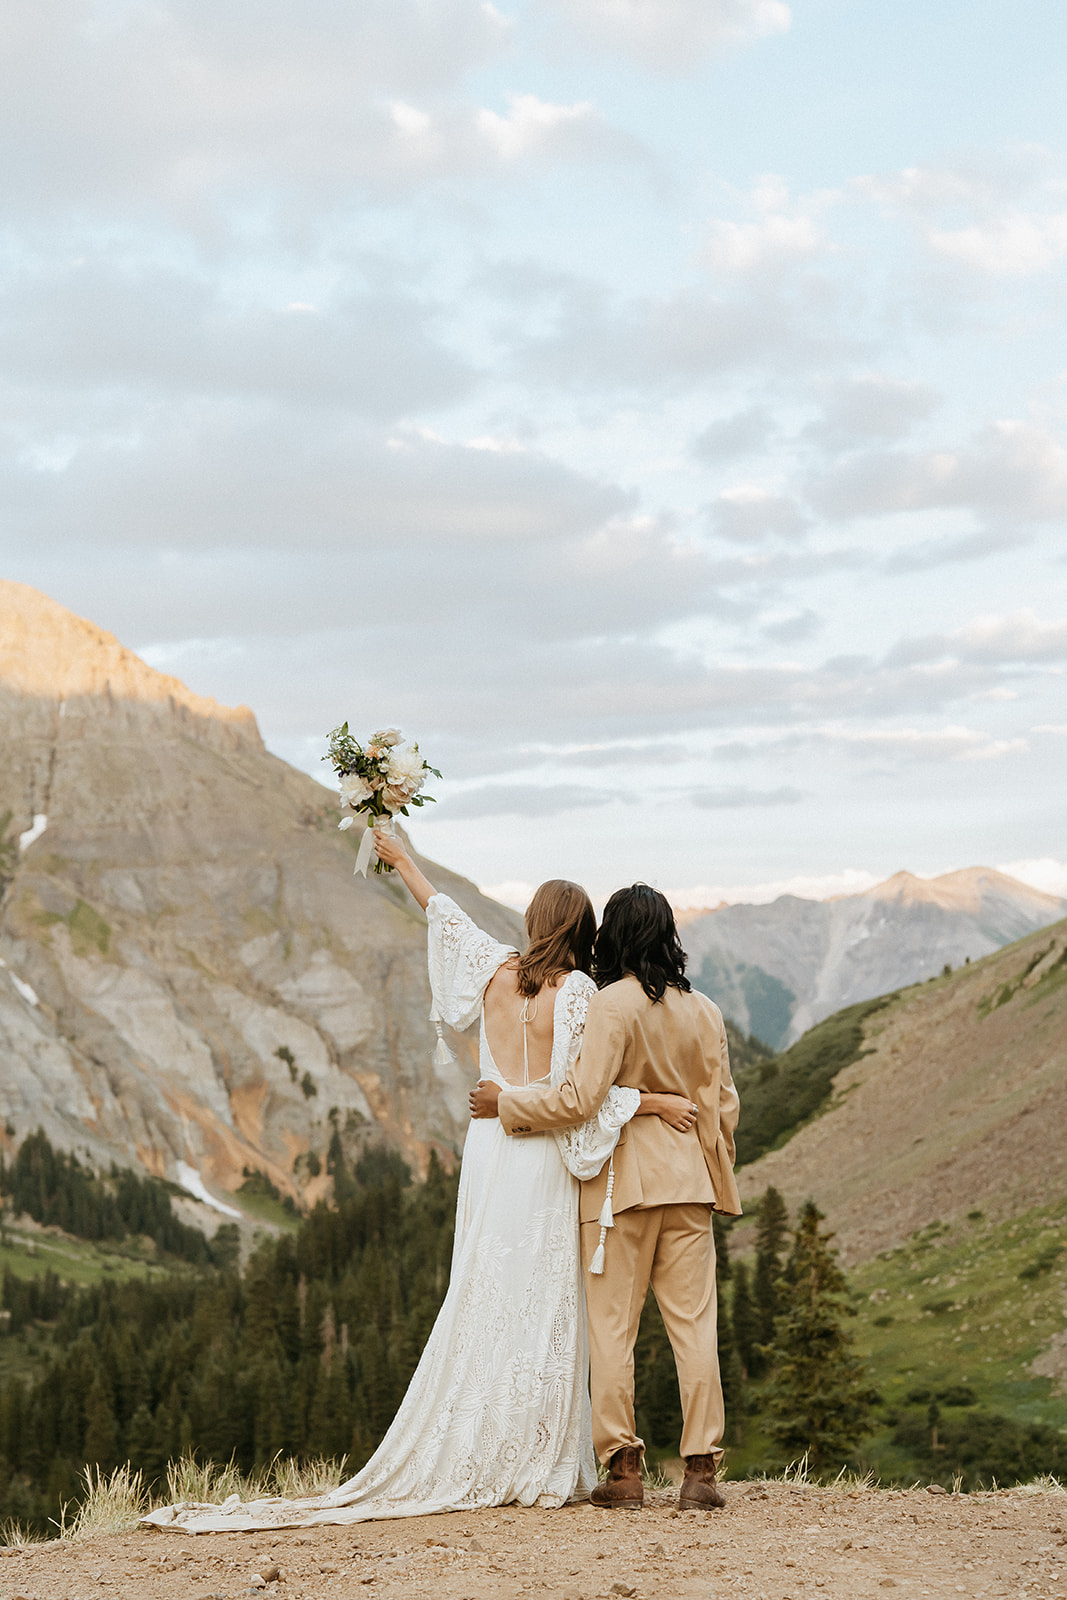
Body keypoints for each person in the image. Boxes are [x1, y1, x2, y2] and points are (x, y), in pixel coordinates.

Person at [144, 836, 693, 1533]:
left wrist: (400, 857)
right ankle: (532, 1456)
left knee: (483, 1287)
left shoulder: (495, 972)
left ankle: (478, 1441)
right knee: (541, 1300)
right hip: (540, 1148)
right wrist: (651, 1102)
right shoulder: (579, 992)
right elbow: (583, 1095)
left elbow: (444, 914)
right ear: (582, 930)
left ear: (532, 922)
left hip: (491, 1146)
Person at [472, 882, 741, 1512]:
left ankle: (624, 1470)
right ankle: (700, 1470)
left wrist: (505, 1105)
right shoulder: (705, 1010)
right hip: (689, 1185)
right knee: (695, 1329)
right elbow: (723, 1105)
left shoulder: (611, 1005)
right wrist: (711, 1165)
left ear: (613, 935)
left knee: (613, 1330)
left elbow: (579, 1099)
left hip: (620, 1188)